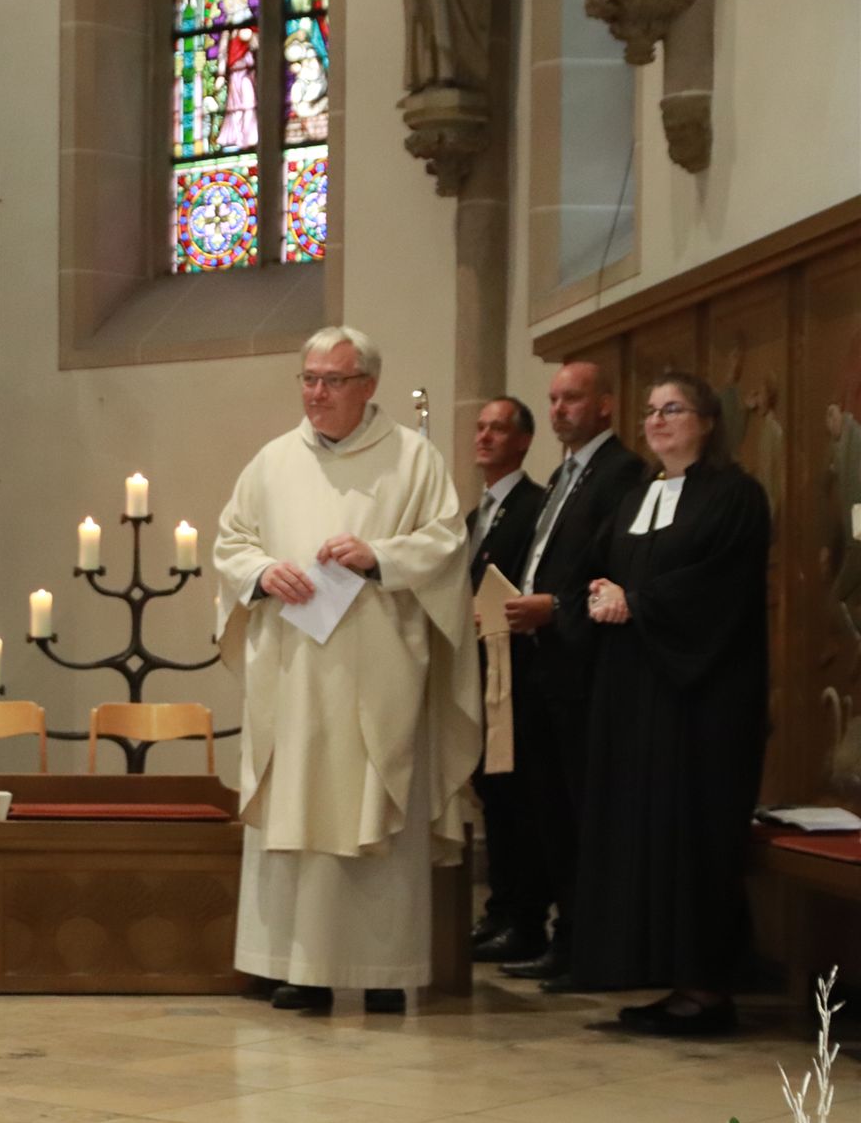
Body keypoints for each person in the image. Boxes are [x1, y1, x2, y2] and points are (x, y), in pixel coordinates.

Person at [212, 326, 480, 1014]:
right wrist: (263, 572)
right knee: (296, 802)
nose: (316, 393)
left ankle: (385, 970)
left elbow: (447, 544)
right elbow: (231, 540)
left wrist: (379, 556)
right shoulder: (272, 461)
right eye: (308, 379)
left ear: (368, 385)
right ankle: (299, 969)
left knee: (376, 808)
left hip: (379, 667)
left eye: (332, 380)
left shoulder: (414, 459)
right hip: (294, 670)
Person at [574, 373, 769, 1035]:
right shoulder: (640, 494)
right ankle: (668, 975)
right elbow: (605, 564)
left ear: (708, 421)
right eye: (651, 410)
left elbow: (716, 585)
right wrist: (601, 589)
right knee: (646, 830)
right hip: (638, 692)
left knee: (695, 832)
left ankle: (707, 990)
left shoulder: (736, 495)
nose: (657, 420)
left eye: (673, 409)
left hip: (701, 698)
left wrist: (637, 602)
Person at [498, 361, 643, 987]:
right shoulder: (563, 474)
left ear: (605, 404)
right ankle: (565, 934)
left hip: (584, 669)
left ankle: (590, 943)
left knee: (582, 813)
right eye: (554, 399)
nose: (559, 409)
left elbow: (614, 567)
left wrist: (555, 608)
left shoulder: (622, 473)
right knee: (548, 811)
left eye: (573, 398)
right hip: (542, 662)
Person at [461, 397, 549, 965]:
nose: (485, 436)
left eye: (498, 428)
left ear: (523, 441)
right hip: (482, 667)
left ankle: (526, 917)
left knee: (521, 799)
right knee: (493, 793)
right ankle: (499, 910)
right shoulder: (477, 515)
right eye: (481, 427)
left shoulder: (535, 506)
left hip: (520, 670)